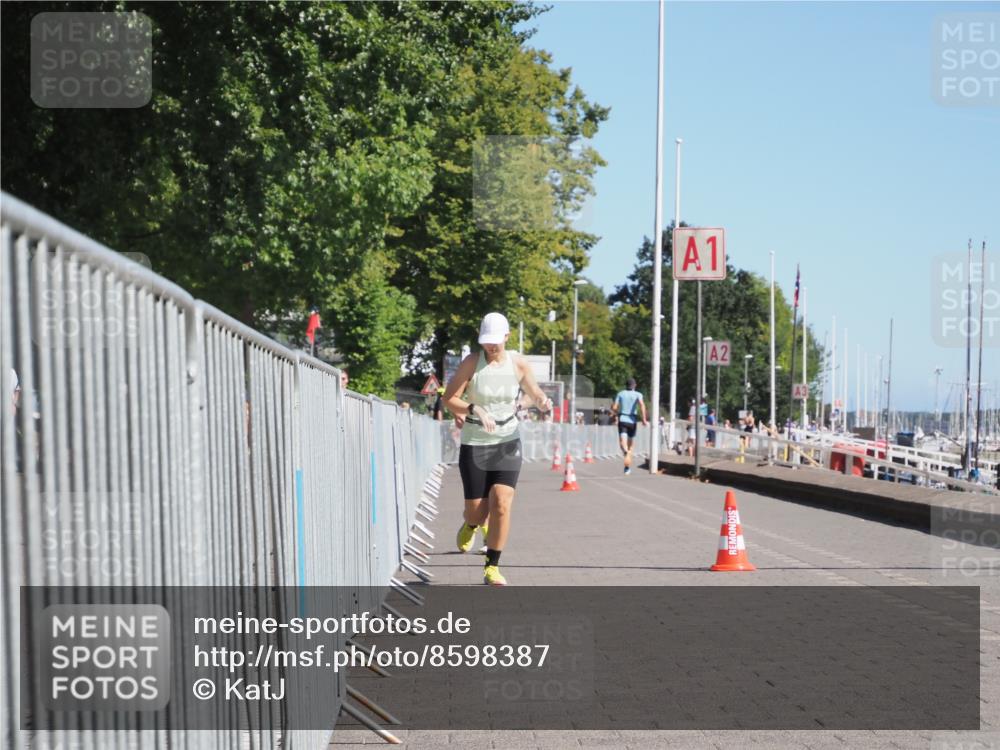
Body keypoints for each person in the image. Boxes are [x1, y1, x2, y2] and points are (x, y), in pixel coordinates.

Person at [442, 312, 552, 586]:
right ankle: (471, 524)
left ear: (507, 337)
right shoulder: (472, 363)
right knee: (477, 512)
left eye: (495, 342)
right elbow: (449, 398)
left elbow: (534, 393)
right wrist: (473, 408)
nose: (490, 347)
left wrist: (541, 401)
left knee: (502, 503)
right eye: (486, 342)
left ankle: (492, 566)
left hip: (507, 441)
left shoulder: (518, 363)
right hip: (475, 442)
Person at [610, 377, 648, 475]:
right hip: (632, 421)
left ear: (626, 385)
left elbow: (614, 407)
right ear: (634, 385)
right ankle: (627, 467)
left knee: (623, 444)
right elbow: (642, 405)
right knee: (630, 446)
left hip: (623, 419)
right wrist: (644, 419)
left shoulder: (620, 394)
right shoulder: (638, 394)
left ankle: (625, 454)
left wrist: (615, 411)